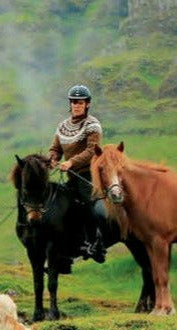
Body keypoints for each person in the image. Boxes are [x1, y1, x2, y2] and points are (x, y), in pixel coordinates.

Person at [46, 85, 109, 263]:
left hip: (88, 175)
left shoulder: (92, 125)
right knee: (58, 205)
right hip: (72, 177)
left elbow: (92, 150)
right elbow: (55, 149)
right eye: (74, 102)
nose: (76, 105)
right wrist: (52, 159)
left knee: (89, 205)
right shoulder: (62, 126)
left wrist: (71, 162)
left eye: (80, 102)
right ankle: (64, 249)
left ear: (87, 104)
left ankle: (96, 244)